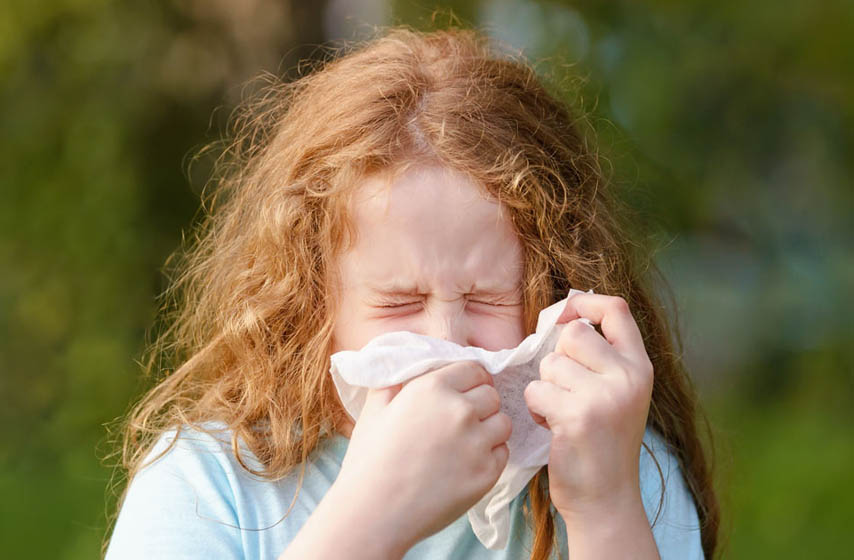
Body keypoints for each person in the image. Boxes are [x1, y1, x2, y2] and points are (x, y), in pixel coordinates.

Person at [104, 27, 719, 560]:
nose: (446, 342)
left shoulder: (619, 467)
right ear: (314, 304)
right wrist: (373, 514)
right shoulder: (206, 485)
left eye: (485, 299)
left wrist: (604, 507)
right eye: (399, 302)